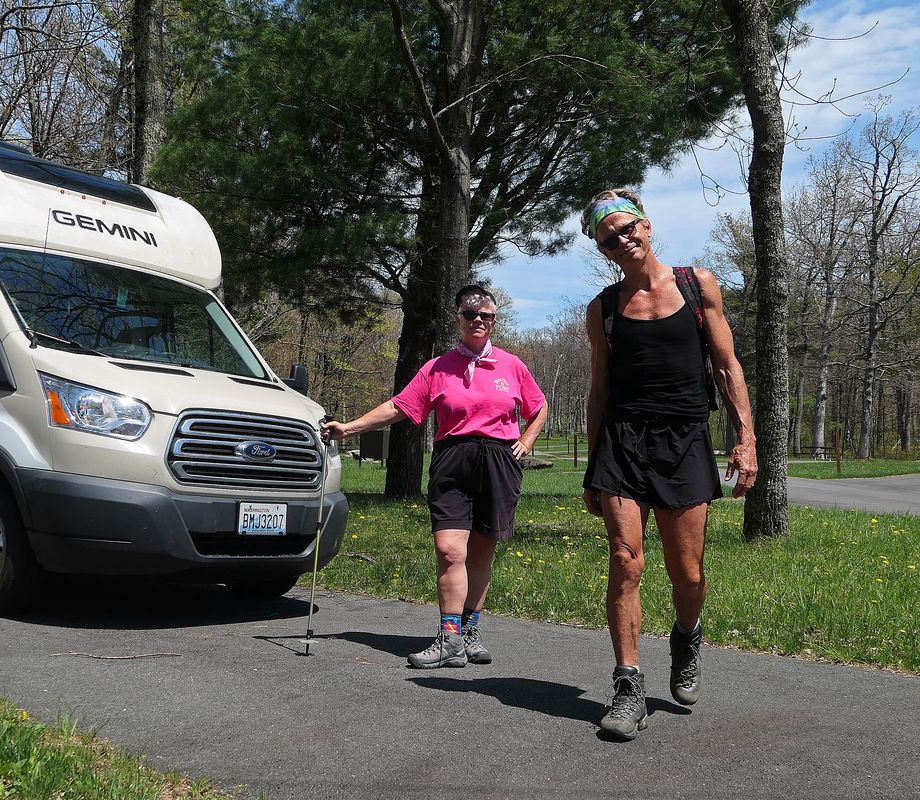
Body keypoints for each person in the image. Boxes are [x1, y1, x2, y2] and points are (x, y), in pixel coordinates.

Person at [580, 189, 757, 740]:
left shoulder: (696, 284)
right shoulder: (603, 309)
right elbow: (600, 389)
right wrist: (593, 464)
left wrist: (745, 438)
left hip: (684, 439)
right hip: (623, 441)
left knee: (688, 573)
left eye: (628, 228)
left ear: (648, 225)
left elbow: (727, 366)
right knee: (626, 561)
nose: (623, 240)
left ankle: (687, 635)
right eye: (609, 239)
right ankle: (628, 686)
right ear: (604, 251)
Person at [323, 285, 547, 669]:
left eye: (486, 316)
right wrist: (351, 428)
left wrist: (526, 440)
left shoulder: (512, 365)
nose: (478, 321)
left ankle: (470, 632)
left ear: (494, 321)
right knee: (448, 550)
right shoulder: (437, 367)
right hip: (452, 460)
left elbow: (538, 406)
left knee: (481, 553)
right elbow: (398, 406)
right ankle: (449, 638)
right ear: (458, 319)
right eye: (470, 315)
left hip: (498, 461)